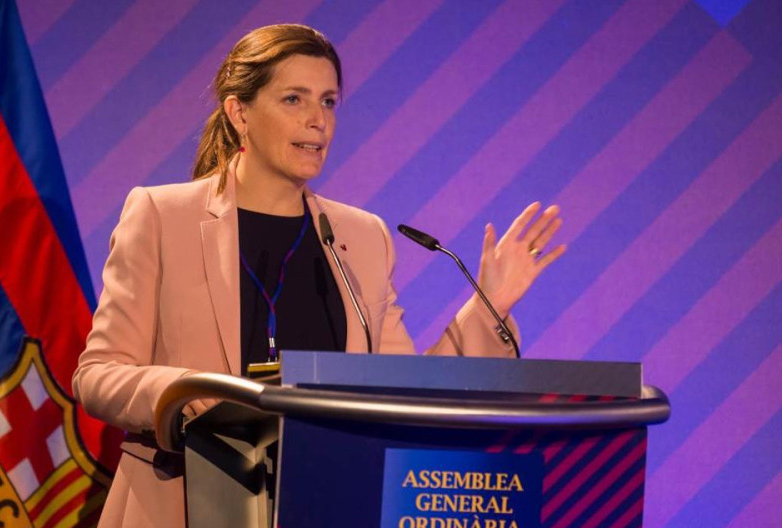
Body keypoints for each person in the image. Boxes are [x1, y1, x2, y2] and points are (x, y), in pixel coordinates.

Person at [72, 23, 564, 528]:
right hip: (184, 507)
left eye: (328, 102)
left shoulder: (360, 236)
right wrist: (180, 391)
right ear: (239, 113)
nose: (317, 121)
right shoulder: (161, 215)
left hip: (325, 503)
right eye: (294, 99)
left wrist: (491, 305)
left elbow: (402, 391)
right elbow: (98, 375)